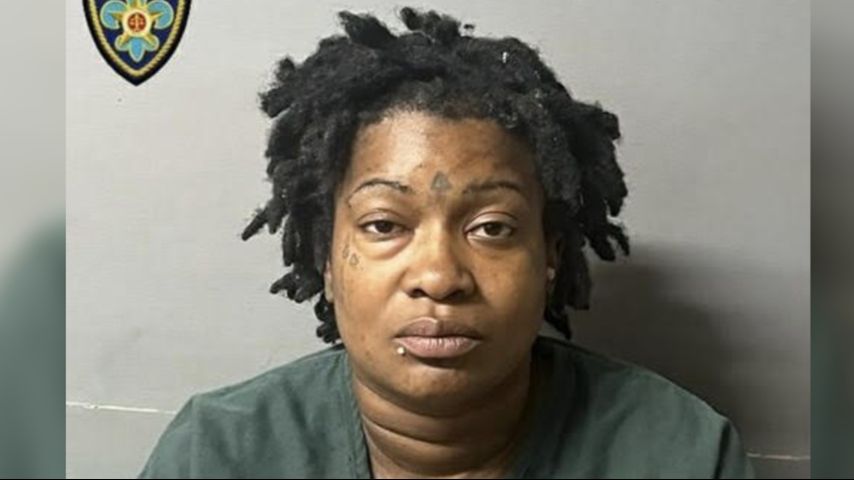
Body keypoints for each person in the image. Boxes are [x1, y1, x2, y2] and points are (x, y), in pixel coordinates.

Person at [140, 7, 753, 478]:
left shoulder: (680, 454)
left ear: (550, 257)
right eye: (385, 224)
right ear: (326, 258)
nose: (438, 276)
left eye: (492, 227)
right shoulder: (218, 454)